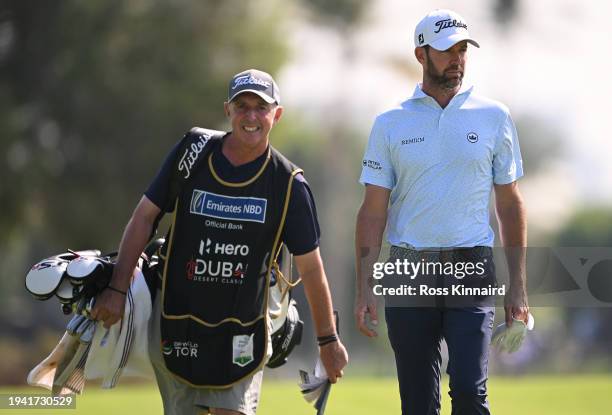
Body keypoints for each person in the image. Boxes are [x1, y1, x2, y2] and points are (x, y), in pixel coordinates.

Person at [92, 68, 348, 415]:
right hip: (177, 323)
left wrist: (328, 341)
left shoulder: (288, 183)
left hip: (242, 333)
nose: (251, 116)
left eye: (261, 107)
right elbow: (144, 217)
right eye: (242, 106)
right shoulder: (193, 151)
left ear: (278, 114)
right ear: (227, 109)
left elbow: (311, 268)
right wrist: (118, 288)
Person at [354, 9, 528, 415]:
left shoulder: (495, 116)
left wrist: (517, 285)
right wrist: (365, 285)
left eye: (463, 49)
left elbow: (509, 203)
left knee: (469, 390)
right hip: (408, 269)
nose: (458, 58)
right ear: (421, 54)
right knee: (418, 403)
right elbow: (372, 212)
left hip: (471, 267)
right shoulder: (389, 123)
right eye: (447, 49)